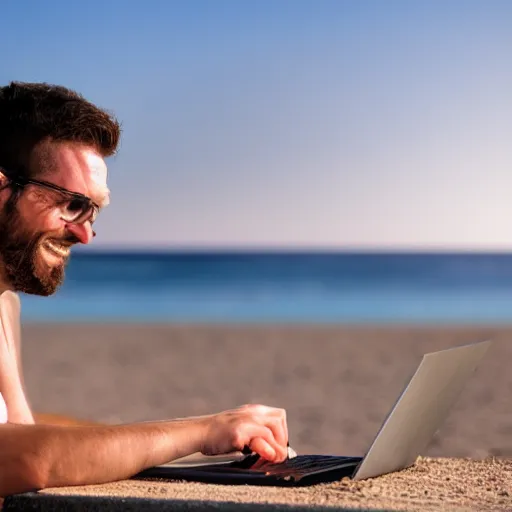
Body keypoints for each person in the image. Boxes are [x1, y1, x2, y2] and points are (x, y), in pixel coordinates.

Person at [0, 81, 289, 497]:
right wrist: (201, 431)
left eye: (93, 210)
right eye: (71, 205)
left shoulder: (4, 301)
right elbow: (22, 460)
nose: (85, 235)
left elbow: (22, 438)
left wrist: (216, 452)